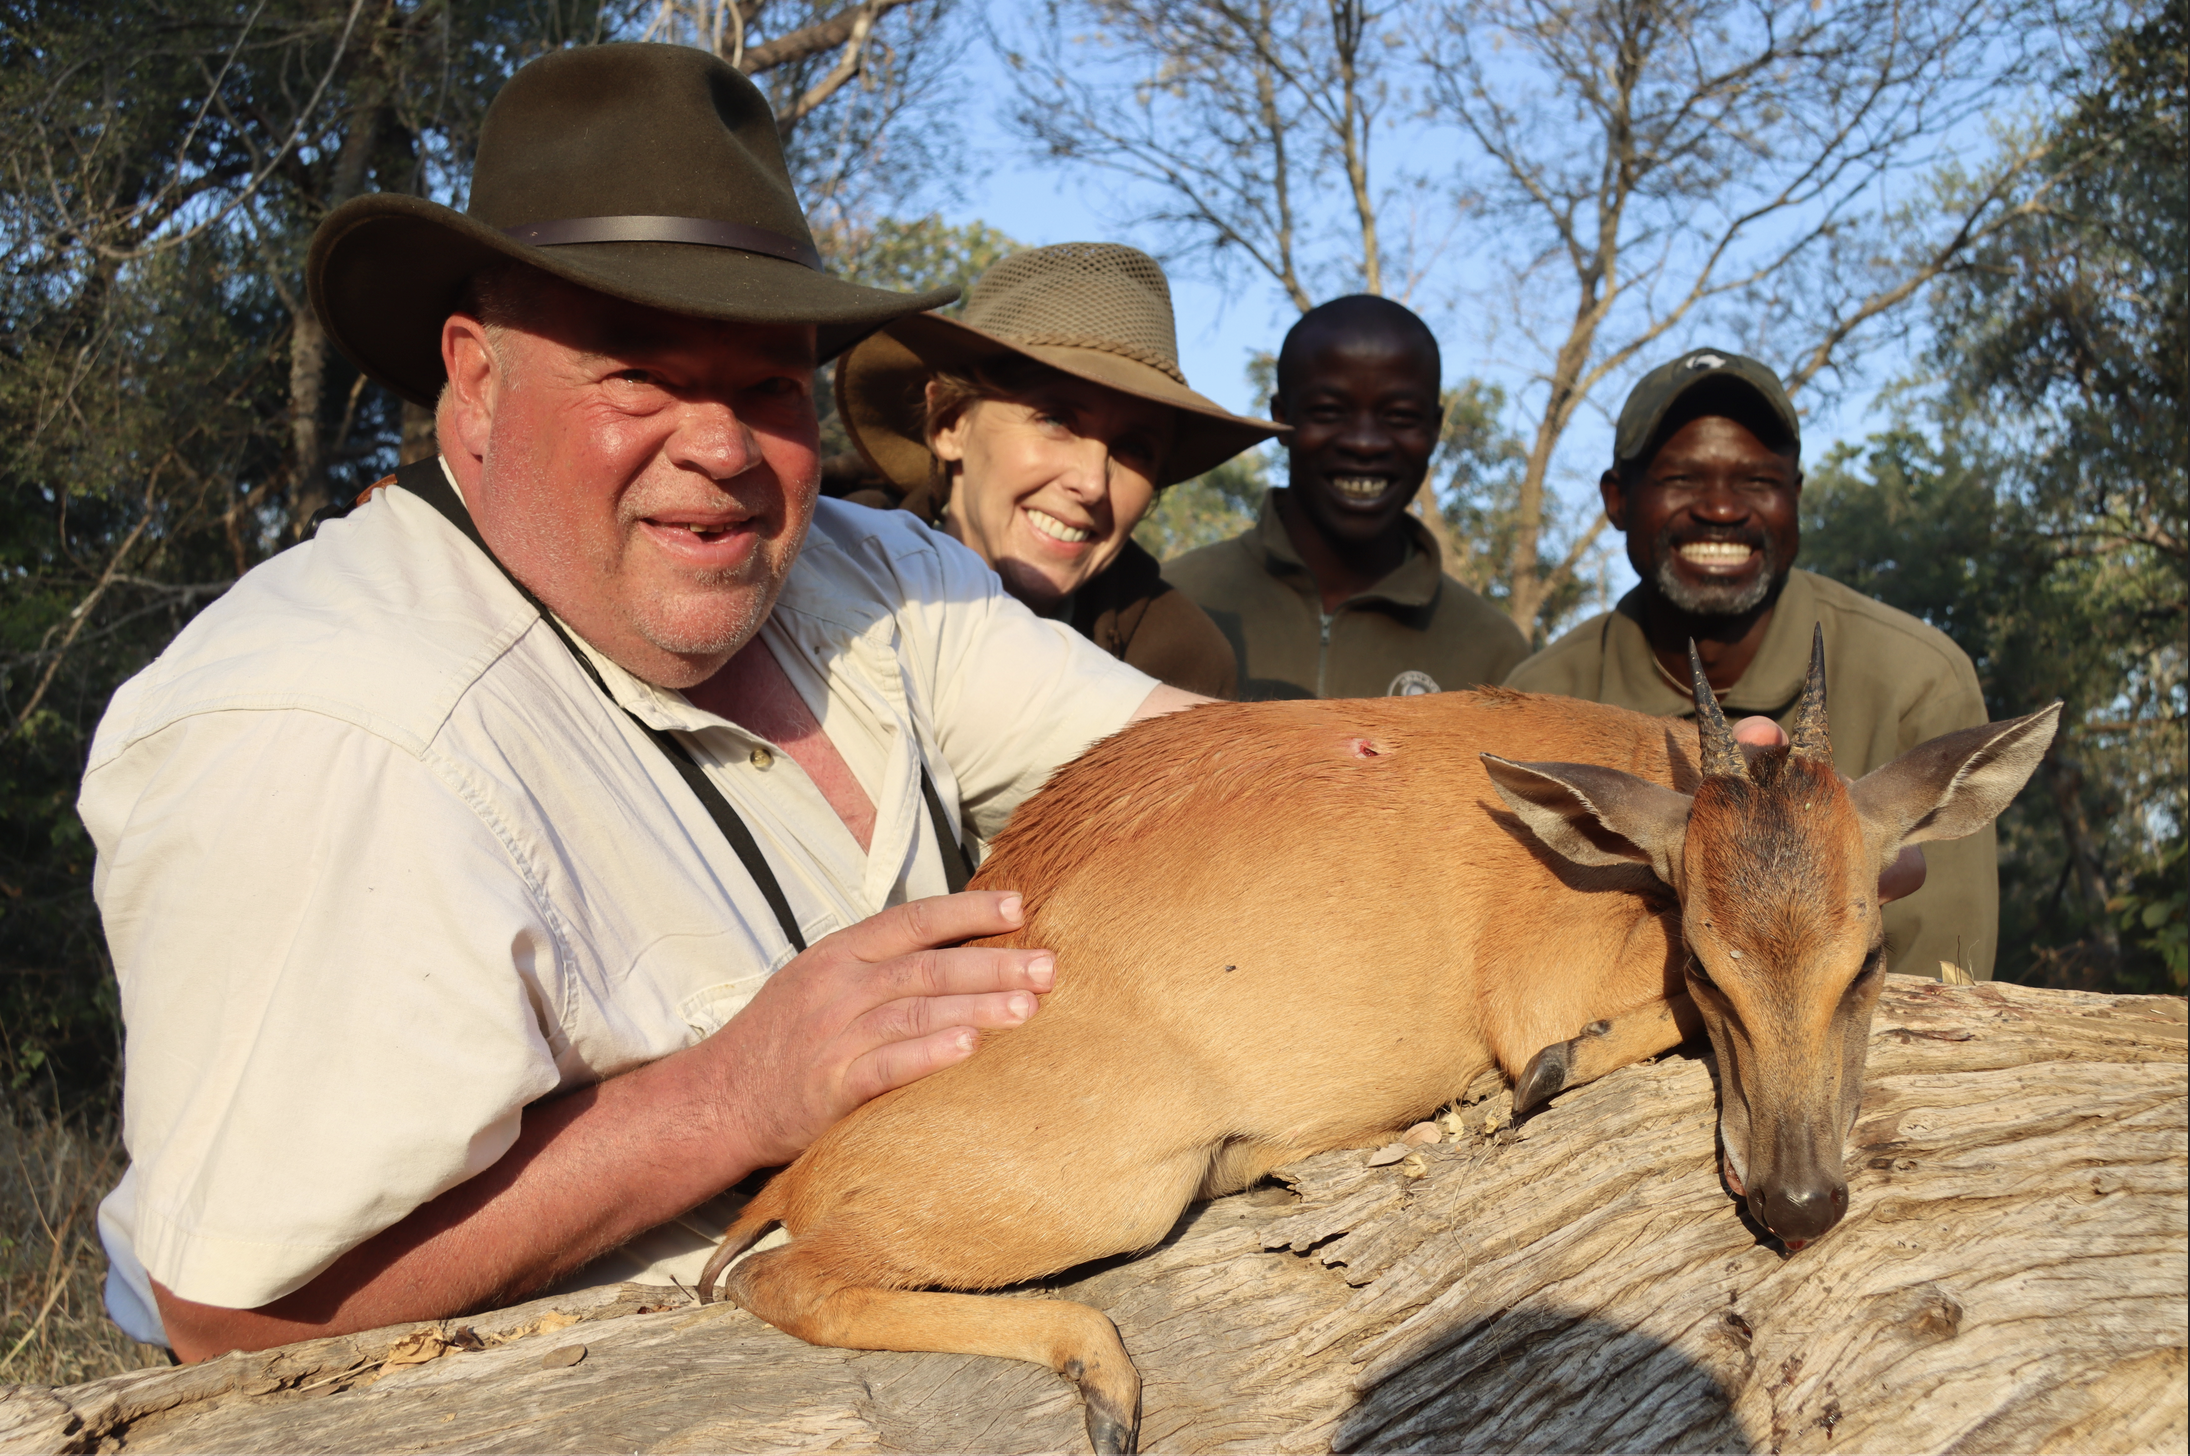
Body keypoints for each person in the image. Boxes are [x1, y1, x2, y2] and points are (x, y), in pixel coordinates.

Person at [81, 43, 1205, 1363]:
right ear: (480, 377)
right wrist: (729, 1099)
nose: (722, 449)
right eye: (643, 373)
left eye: (767, 385)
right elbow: (231, 1315)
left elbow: (1191, 764)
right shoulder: (329, 733)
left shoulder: (870, 567)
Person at [1504, 348, 1996, 979]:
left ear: (1795, 498)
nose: (1721, 509)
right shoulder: (1543, 696)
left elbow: (1944, 976)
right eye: (1681, 479)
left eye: (1757, 482)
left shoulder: (1915, 682)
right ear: (1617, 499)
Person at [834, 243, 1279, 698]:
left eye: (1134, 449)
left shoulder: (1179, 665)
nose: (1090, 484)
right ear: (950, 422)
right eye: (1055, 420)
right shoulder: (819, 581)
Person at [1162, 295, 1529, 700]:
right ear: (1281, 418)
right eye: (1329, 411)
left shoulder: (1494, 655)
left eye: (1401, 416)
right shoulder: (1172, 602)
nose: (1365, 443)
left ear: (1435, 428)